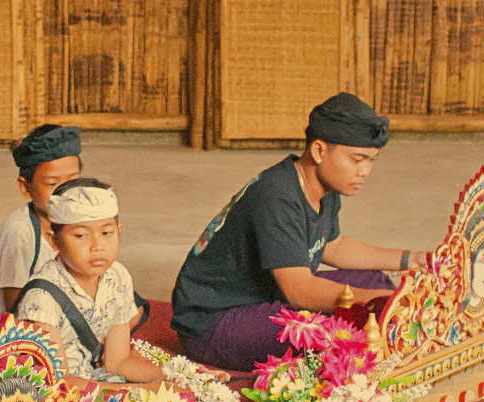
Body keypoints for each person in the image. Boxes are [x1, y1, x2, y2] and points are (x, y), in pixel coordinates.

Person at [171, 92, 430, 372]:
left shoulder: (324, 187)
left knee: (374, 281)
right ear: (319, 151)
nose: (365, 171)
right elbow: (300, 291)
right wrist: (377, 302)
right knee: (339, 330)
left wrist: (411, 259)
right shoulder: (276, 195)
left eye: (371, 160)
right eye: (357, 159)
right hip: (214, 322)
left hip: (267, 296)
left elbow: (333, 246)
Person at [16, 179, 166, 389]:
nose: (97, 246)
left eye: (106, 233)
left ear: (118, 231)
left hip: (98, 384)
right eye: (81, 235)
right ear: (53, 240)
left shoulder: (118, 276)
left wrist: (182, 377)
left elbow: (117, 363)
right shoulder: (42, 298)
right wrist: (144, 390)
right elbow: (58, 385)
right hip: (57, 395)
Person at [0, 125, 83, 345]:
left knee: (133, 311)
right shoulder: (18, 233)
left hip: (55, 316)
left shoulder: (78, 218)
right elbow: (17, 308)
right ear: (25, 187)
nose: (64, 191)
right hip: (13, 332)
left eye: (73, 180)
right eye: (52, 184)